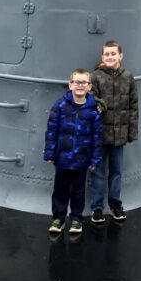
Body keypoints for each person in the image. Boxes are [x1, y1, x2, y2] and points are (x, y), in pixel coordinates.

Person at [44, 69, 102, 236]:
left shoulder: (93, 110)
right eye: (77, 82)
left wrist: (94, 159)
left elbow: (97, 137)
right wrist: (50, 153)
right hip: (62, 158)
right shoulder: (60, 106)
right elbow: (51, 131)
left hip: (81, 160)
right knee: (60, 190)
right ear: (70, 85)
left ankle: (76, 218)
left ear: (89, 87)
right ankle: (58, 218)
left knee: (78, 191)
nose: (80, 85)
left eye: (84, 83)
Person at [89, 40, 138, 224]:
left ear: (120, 56)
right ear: (102, 57)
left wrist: (131, 131)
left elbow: (133, 106)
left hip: (119, 135)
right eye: (107, 54)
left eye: (113, 53)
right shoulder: (95, 77)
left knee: (116, 171)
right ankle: (97, 208)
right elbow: (91, 97)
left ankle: (115, 204)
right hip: (100, 135)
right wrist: (100, 103)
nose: (110, 57)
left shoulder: (128, 77)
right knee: (98, 172)